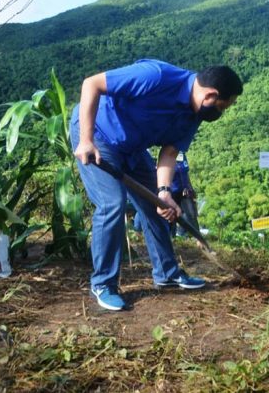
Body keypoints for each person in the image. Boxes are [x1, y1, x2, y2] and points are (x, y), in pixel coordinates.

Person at [71, 59, 242, 311]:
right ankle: (103, 283)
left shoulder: (194, 115)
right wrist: (86, 139)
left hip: (133, 149)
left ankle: (167, 273)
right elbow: (92, 84)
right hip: (98, 135)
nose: (221, 112)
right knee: (112, 204)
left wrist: (164, 192)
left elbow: (170, 153)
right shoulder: (156, 76)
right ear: (211, 95)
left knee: (157, 204)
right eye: (222, 106)